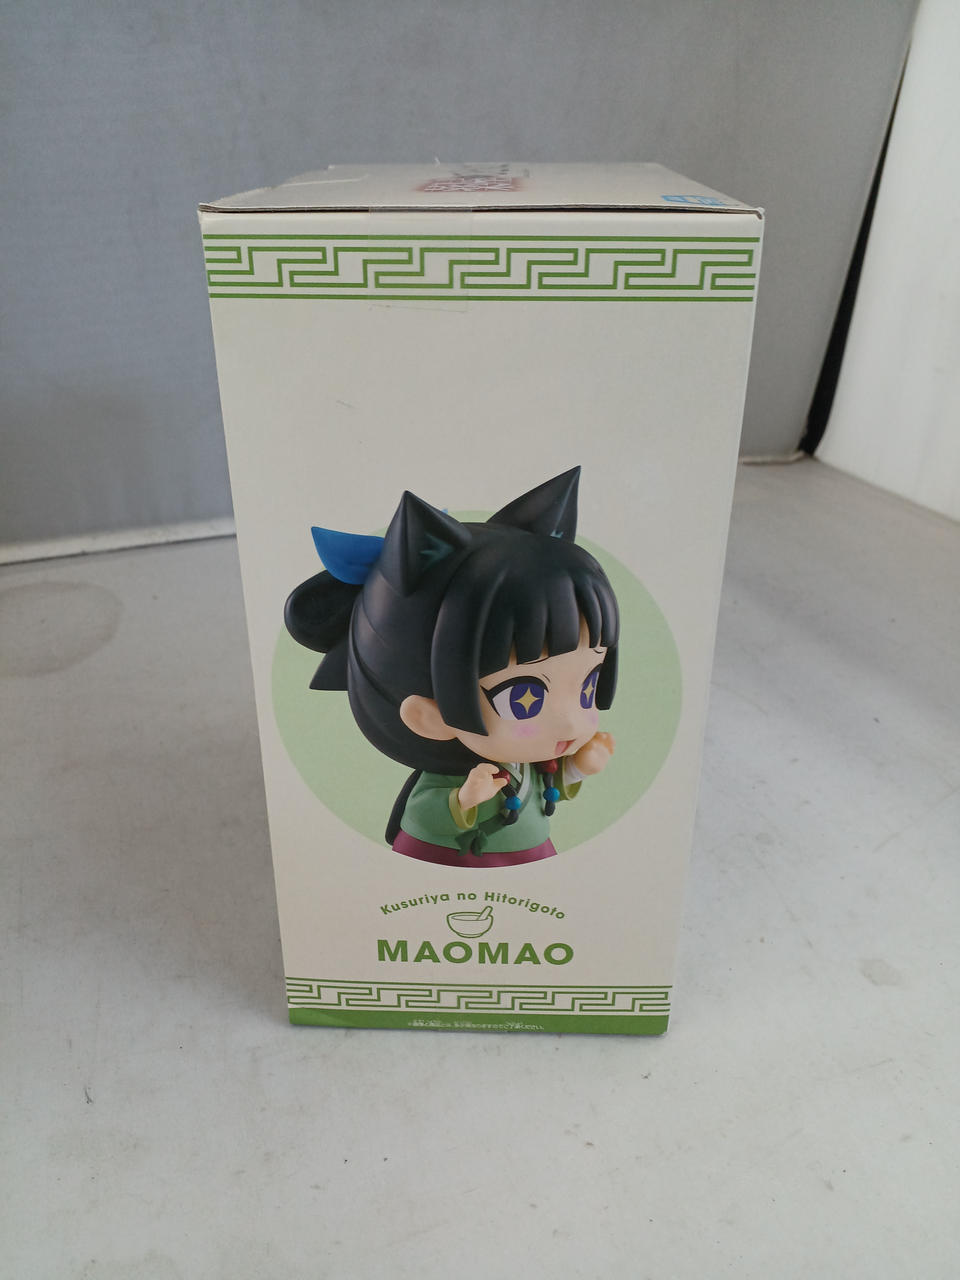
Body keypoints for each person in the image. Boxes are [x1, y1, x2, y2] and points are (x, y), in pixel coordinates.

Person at [284, 467, 619, 868]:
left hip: (532, 860)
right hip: (452, 865)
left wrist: (579, 767)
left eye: (587, 686)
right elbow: (423, 814)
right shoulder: (450, 780)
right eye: (522, 697)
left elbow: (548, 790)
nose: (572, 724)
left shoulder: (528, 761)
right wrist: (463, 799)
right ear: (428, 716)